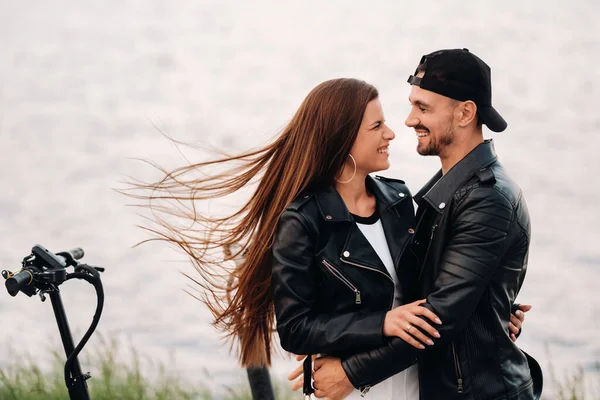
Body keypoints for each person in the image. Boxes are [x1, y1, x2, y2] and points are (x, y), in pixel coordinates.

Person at [127, 76, 528, 399]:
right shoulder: (303, 221)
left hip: (415, 381)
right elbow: (296, 329)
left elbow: (433, 289)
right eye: (376, 126)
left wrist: (488, 314)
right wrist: (382, 324)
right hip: (355, 389)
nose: (393, 132)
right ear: (343, 140)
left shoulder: (401, 201)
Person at [304, 49, 542, 400]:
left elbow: (439, 318)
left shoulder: (487, 200)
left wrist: (350, 373)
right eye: (413, 105)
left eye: (423, 108)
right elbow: (411, 294)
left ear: (465, 113)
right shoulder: (442, 194)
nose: (409, 120)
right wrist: (339, 344)